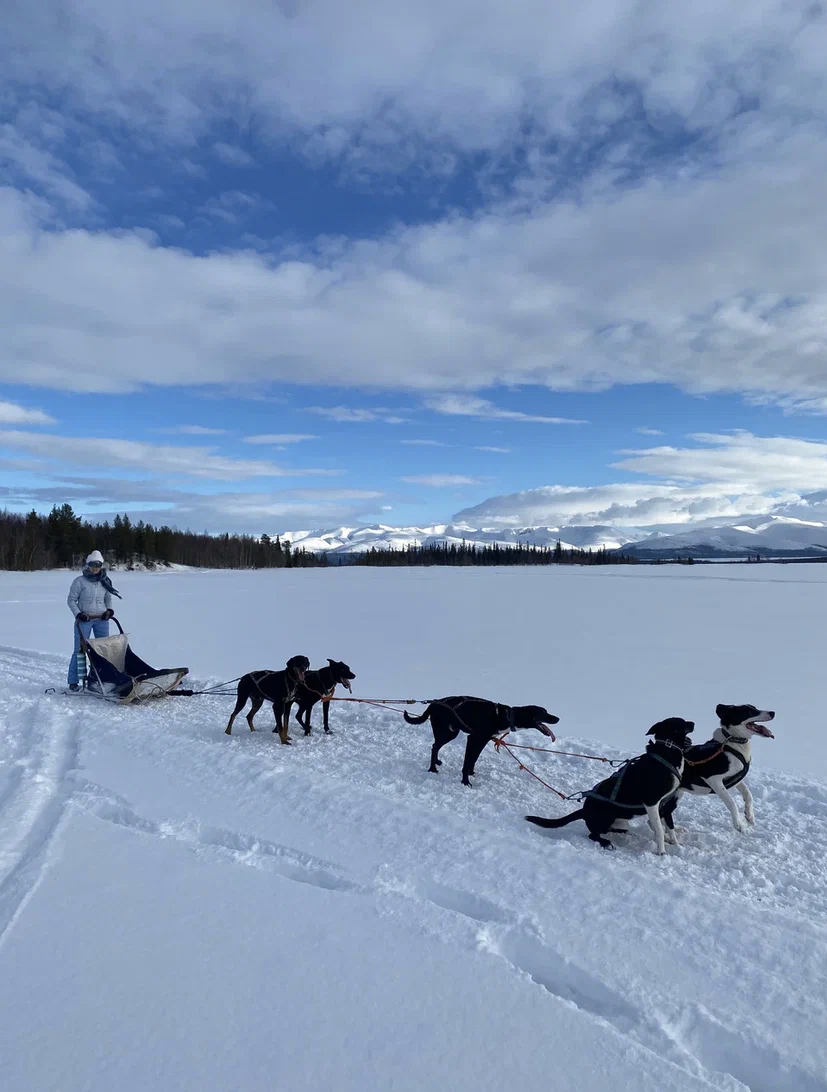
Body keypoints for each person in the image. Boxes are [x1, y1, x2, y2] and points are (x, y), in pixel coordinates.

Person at [67, 550, 123, 691]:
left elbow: (108, 598)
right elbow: (71, 600)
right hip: (84, 621)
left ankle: (99, 679)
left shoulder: (104, 581)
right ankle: (73, 681)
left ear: (101, 566)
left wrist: (109, 611)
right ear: (88, 565)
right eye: (92, 565)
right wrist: (79, 614)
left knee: (103, 650)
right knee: (79, 650)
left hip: (102, 620)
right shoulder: (79, 581)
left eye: (97, 565)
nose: (95, 568)